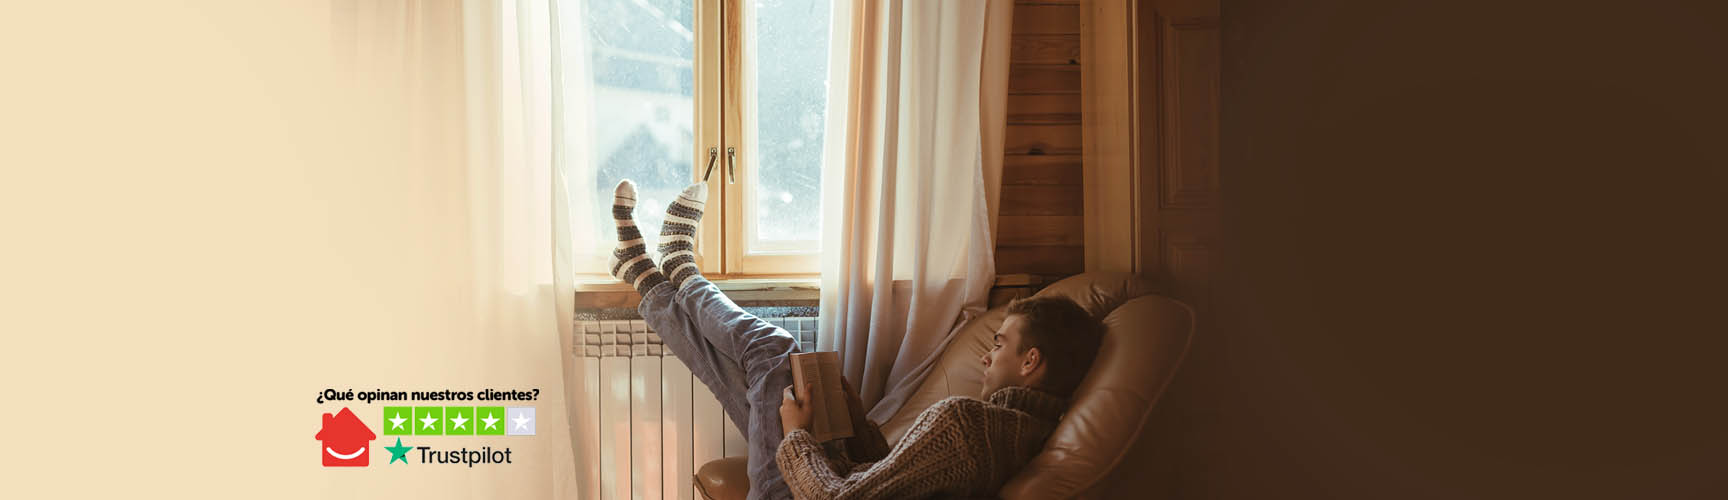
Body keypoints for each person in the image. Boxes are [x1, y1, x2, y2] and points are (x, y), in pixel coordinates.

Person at [607, 180, 1105, 500]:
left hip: (807, 493)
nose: (989, 354)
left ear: (1030, 360)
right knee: (761, 381)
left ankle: (679, 269)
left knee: (772, 350)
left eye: (1001, 344)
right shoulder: (1021, 434)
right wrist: (855, 420)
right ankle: (648, 277)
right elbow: (897, 478)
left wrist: (800, 436)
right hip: (824, 475)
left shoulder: (970, 424)